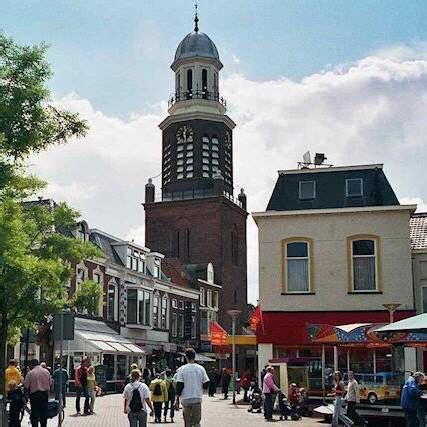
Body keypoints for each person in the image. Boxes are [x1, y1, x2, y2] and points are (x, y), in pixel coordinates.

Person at [175, 348, 210, 427]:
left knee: (187, 423)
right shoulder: (201, 369)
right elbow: (206, 383)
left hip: (185, 399)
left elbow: (179, 385)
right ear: (194, 357)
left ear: (186, 357)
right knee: (196, 422)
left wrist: (176, 399)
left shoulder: (182, 369)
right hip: (197, 398)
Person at [23, 359, 53, 427]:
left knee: (34, 414)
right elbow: (50, 383)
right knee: (44, 413)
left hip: (35, 395)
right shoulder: (46, 372)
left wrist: (26, 396)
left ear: (31, 365)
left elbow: (26, 386)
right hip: (44, 395)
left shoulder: (30, 373)